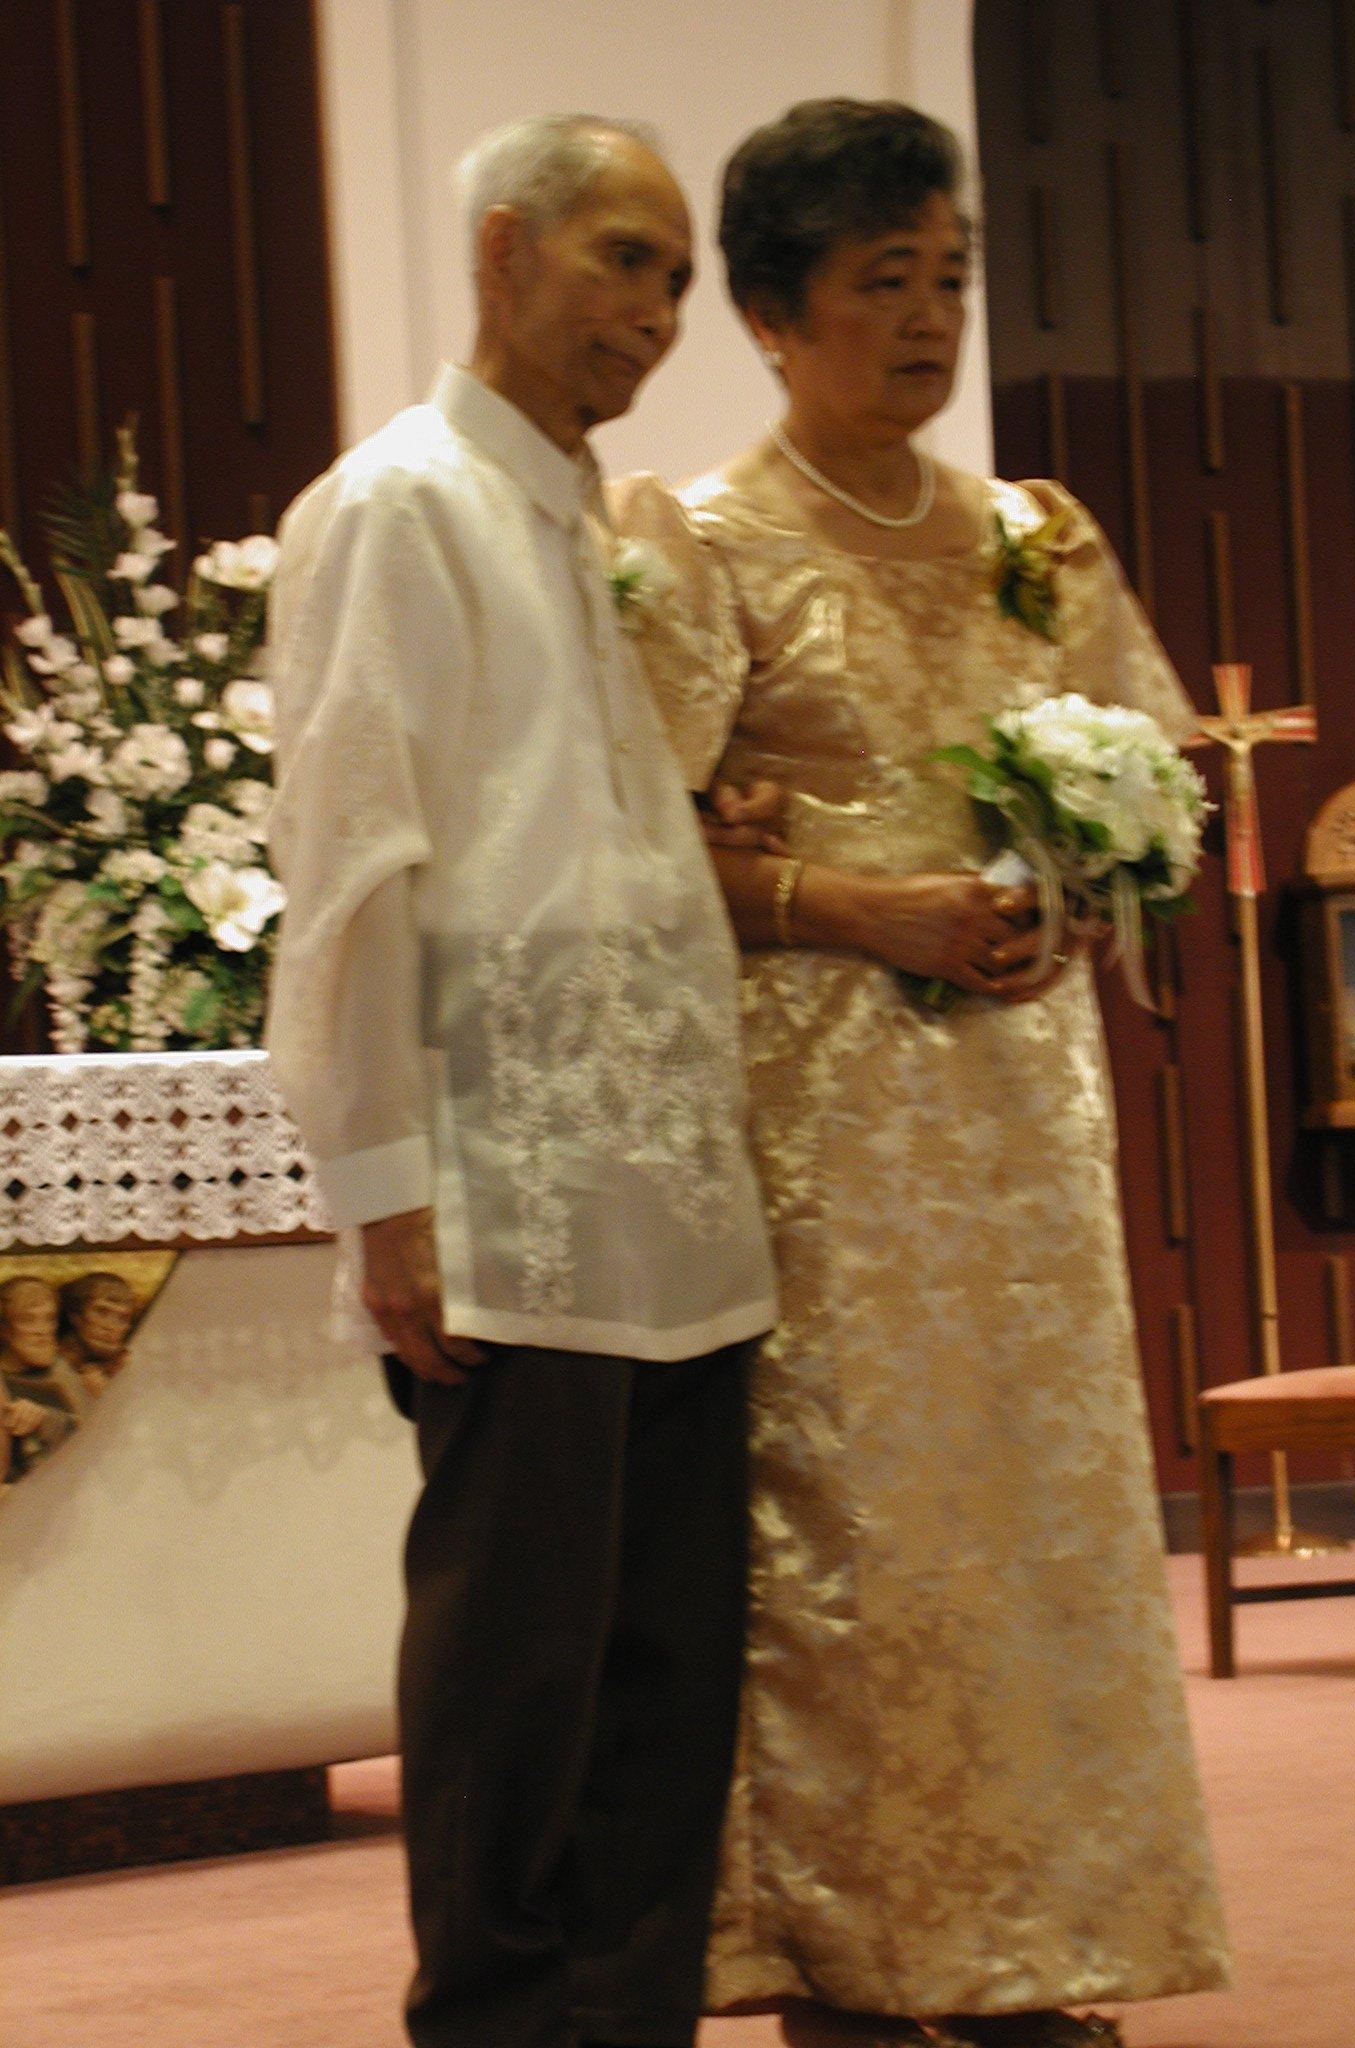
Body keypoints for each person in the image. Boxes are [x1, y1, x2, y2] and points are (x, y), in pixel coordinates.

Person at [612, 99, 1229, 2048]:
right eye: (886, 281)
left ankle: (1034, 1943)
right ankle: (861, 1960)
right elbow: (631, 853)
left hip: (1021, 1123)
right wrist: (854, 902)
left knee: (1039, 1534)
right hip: (828, 1127)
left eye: (951, 277)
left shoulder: (1040, 536)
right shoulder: (701, 542)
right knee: (855, 1548)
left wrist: (1093, 877)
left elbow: (1148, 778)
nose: (931, 317)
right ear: (773, 315)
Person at [265, 114, 777, 2048]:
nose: (655, 310)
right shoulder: (400, 503)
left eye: (675, 279)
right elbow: (355, 861)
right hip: (514, 1185)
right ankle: (493, 2023)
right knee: (518, 1669)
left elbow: (567, 828)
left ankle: (630, 2017)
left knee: (664, 1673)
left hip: (674, 1201)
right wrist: (383, 1186)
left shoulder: (587, 521)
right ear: (502, 253)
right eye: (620, 258)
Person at [0, 1275, 80, 1478]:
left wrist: (46, 1420)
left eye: (50, 1319)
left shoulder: (62, 1373)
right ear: (4, 1328)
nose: (42, 1331)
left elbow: (98, 1439)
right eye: (28, 1320)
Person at [57, 1271, 138, 1393]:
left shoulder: (127, 1365)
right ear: (76, 1316)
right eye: (101, 1312)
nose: (111, 1326)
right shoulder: (51, 1361)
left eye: (122, 1318)